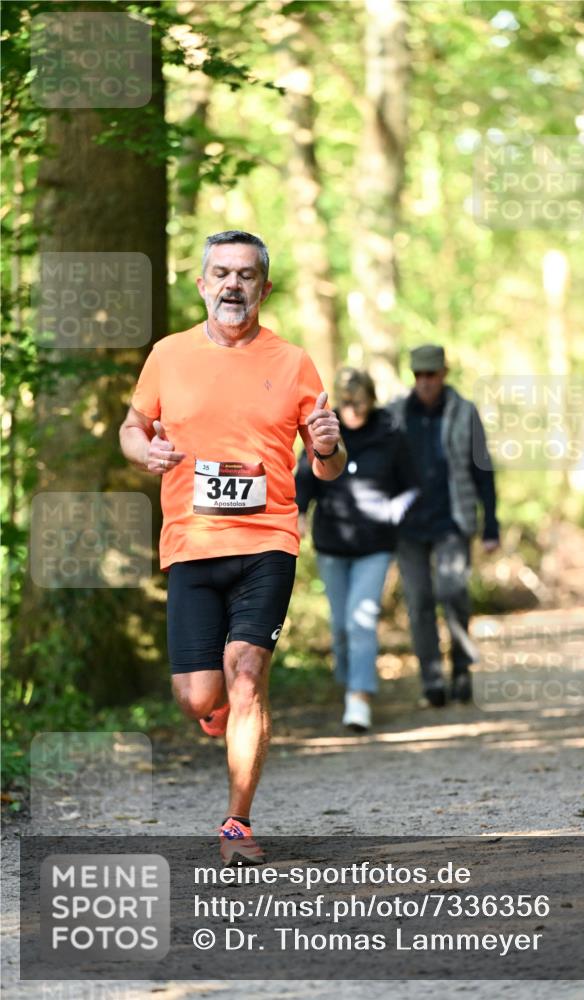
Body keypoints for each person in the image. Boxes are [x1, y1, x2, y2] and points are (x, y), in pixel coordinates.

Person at [119, 230, 345, 863]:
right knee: (198, 695)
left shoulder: (293, 362)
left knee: (247, 673)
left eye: (246, 276)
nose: (232, 286)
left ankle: (237, 823)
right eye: (221, 273)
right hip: (190, 543)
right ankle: (214, 715)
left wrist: (326, 445)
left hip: (268, 540)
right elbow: (132, 427)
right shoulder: (168, 355)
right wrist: (146, 451)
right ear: (202, 284)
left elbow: (327, 468)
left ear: (264, 289)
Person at [296, 368, 418, 732]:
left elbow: (412, 485)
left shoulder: (391, 434)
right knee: (340, 625)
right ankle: (347, 681)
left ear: (371, 400)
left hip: (375, 545)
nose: (351, 410)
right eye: (345, 403)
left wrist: (395, 511)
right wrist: (299, 513)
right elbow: (305, 478)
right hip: (332, 543)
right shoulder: (326, 430)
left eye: (358, 403)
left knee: (360, 620)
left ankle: (359, 697)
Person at [389, 344, 500, 707]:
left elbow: (483, 469)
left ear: (443, 374)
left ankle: (462, 670)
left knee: (453, 594)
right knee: (419, 601)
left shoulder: (465, 412)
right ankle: (431, 681)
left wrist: (491, 526)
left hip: (453, 520)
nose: (425, 382)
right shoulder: (395, 414)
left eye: (431, 375)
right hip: (408, 526)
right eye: (418, 375)